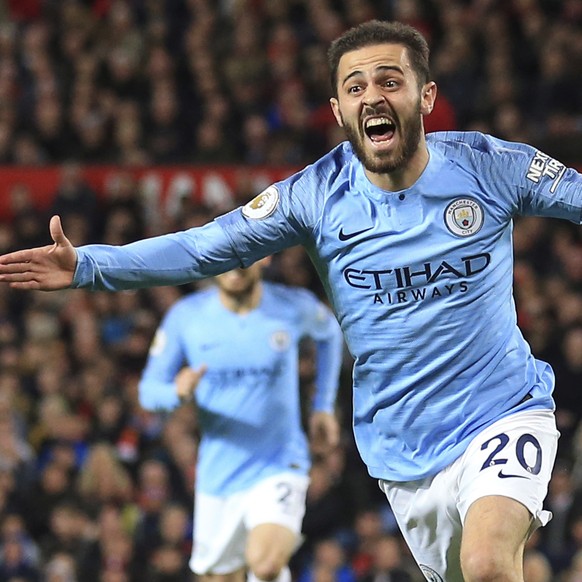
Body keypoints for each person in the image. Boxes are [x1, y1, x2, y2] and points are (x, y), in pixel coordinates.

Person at [1, 18, 580, 582]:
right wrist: (88, 265)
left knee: (488, 564)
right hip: (402, 446)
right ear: (336, 111)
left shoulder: (489, 166)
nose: (372, 96)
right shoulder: (316, 196)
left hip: (503, 408)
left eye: (389, 81)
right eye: (355, 87)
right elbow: (207, 248)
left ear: (425, 97)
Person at [137, 258, 344, 582]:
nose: (233, 266)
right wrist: (175, 393)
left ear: (264, 257)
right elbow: (149, 392)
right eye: (223, 257)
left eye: (243, 255)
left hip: (279, 463)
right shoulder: (187, 317)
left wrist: (323, 406)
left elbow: (329, 332)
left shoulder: (290, 306)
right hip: (219, 475)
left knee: (265, 564)